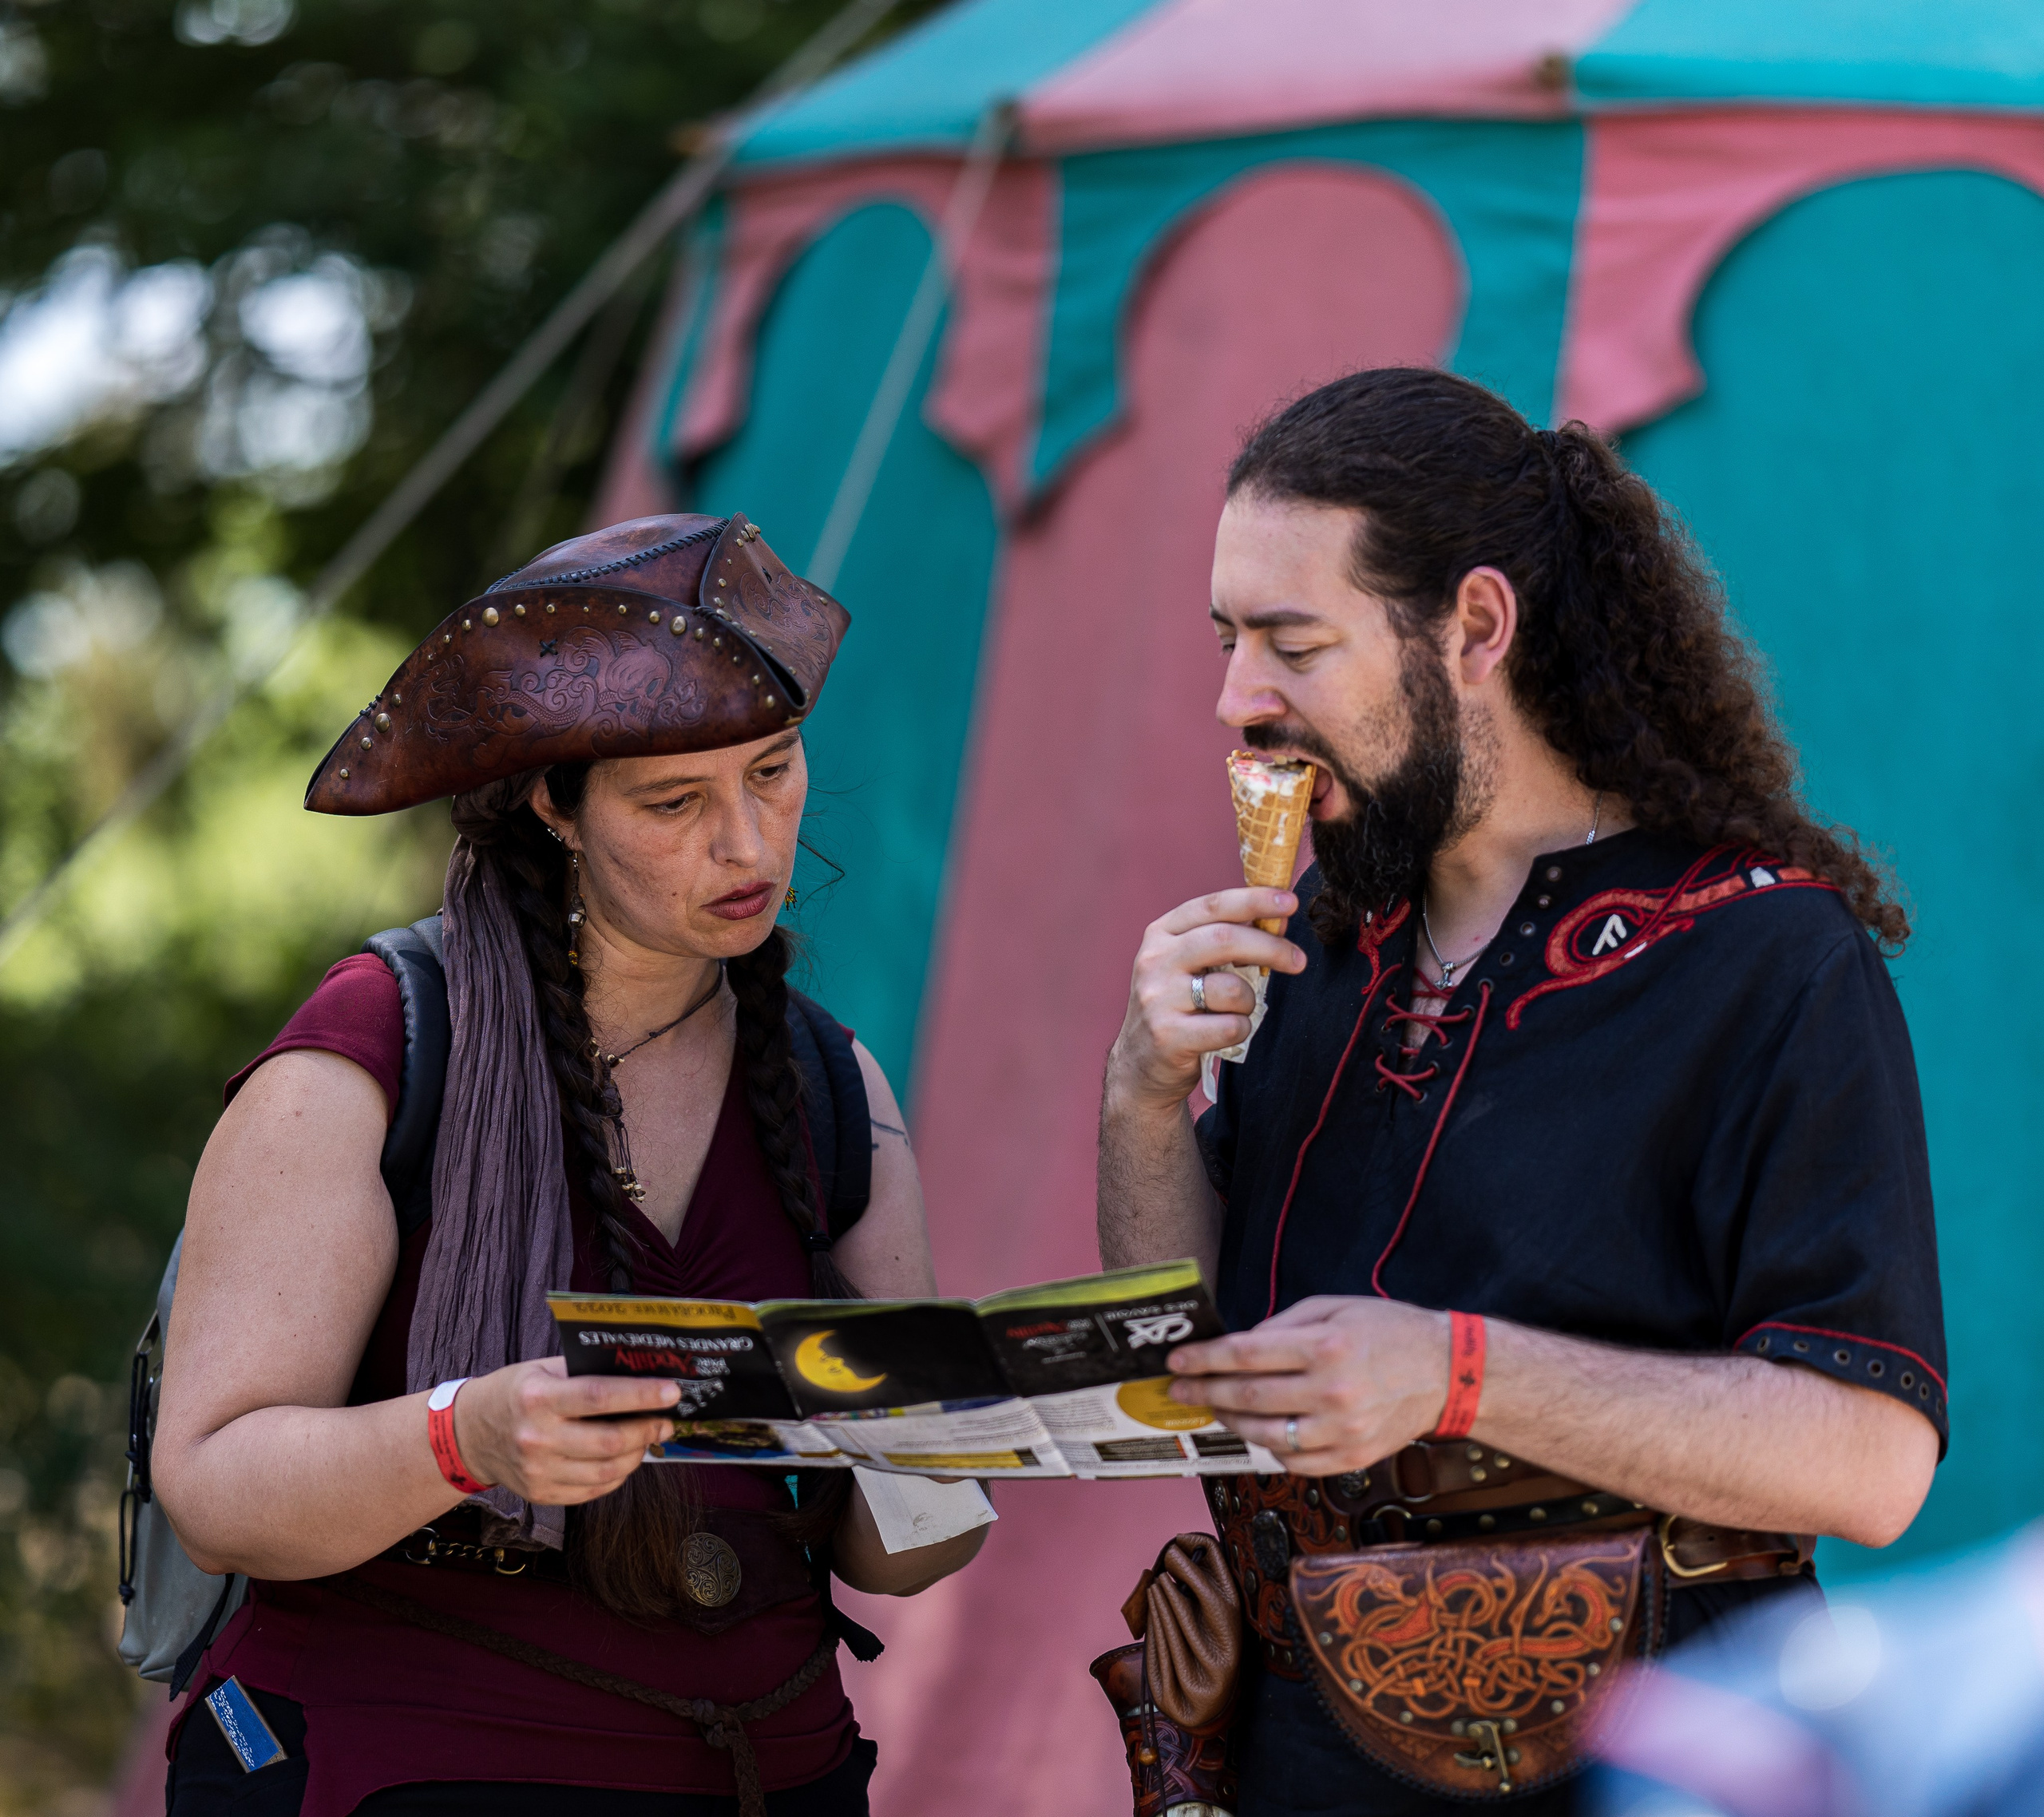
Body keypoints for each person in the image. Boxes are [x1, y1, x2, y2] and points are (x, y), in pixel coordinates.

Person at [1097, 370, 1945, 1815]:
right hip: (1303, 1749)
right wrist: (1140, 1096)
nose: (1239, 700)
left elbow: (1868, 1461)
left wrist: (1455, 1371)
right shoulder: (1316, 942)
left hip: (1653, 1755)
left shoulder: (1761, 952)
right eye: (1231, 639)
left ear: (1477, 627)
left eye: (1294, 642)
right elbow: (1189, 1354)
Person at [153, 513, 987, 1817]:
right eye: (675, 802)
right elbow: (213, 1487)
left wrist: (966, 1442)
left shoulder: (834, 1086)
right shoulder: (371, 1053)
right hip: (413, 1775)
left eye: (774, 773)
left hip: (778, 1774)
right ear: (553, 804)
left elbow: (903, 1555)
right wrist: (465, 1436)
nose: (750, 847)